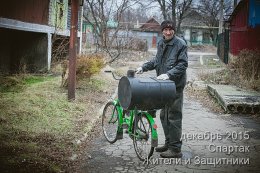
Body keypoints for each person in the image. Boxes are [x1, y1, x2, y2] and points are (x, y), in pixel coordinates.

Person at [136, 20, 188, 158]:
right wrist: (143, 67)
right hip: (163, 86)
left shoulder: (180, 44)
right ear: (162, 31)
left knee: (174, 116)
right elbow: (156, 61)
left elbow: (183, 64)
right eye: (165, 30)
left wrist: (169, 74)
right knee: (164, 115)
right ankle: (168, 144)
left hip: (175, 86)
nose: (168, 32)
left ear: (174, 31)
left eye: (171, 30)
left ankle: (176, 150)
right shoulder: (161, 43)